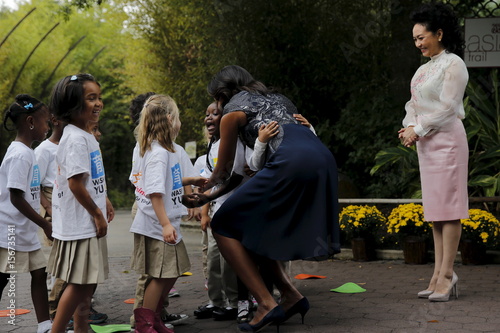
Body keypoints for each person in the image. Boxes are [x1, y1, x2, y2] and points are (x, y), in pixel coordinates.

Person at [183, 65, 339, 332]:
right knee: (254, 227)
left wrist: (204, 190)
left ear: (221, 93)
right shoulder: (280, 98)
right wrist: (209, 195)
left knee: (222, 225)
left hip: (291, 162)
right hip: (321, 158)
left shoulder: (232, 112)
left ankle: (266, 303)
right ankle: (290, 295)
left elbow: (224, 169)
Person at [398, 3, 468, 302]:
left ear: (439, 34)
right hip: (428, 145)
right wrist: (409, 126)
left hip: (448, 142)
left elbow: (449, 108)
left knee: (450, 211)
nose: (418, 44)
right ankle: (437, 274)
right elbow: (412, 104)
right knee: (437, 213)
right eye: (414, 39)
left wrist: (419, 128)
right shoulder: (423, 69)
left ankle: (448, 274)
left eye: (422, 37)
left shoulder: (454, 64)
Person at [129, 94, 206, 332]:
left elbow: (166, 181)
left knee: (171, 273)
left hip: (163, 222)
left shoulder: (164, 149)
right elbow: (154, 191)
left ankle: (155, 319)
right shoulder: (159, 153)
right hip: (155, 224)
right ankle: (145, 324)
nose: (180, 122)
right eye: (179, 117)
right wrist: (165, 225)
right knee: (161, 276)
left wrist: (191, 180)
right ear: (171, 119)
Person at [46, 73, 114, 333]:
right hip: (81, 225)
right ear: (72, 105)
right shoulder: (75, 138)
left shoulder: (84, 135)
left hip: (86, 221)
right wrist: (96, 214)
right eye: (91, 98)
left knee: (86, 284)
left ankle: (81, 330)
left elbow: (90, 178)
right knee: (78, 284)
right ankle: (57, 330)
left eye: (99, 97)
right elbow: (75, 184)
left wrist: (104, 200)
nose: (98, 103)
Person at [0, 94, 52, 333]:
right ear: (30, 122)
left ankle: (44, 325)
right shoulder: (20, 154)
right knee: (3, 278)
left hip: (24, 230)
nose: (47, 127)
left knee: (39, 273)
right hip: (10, 231)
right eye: (44, 122)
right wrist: (44, 223)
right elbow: (15, 197)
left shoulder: (27, 152)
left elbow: (31, 190)